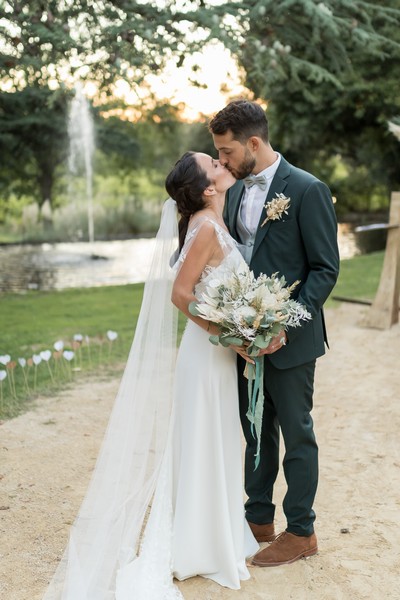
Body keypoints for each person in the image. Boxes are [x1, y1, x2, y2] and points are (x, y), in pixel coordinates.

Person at [42, 151, 258, 600]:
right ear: (207, 188)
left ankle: (216, 534)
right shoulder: (205, 227)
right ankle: (200, 545)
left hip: (215, 355)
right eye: (214, 163)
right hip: (207, 354)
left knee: (214, 438)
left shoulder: (209, 222)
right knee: (204, 439)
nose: (222, 163)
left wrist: (244, 329)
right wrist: (230, 335)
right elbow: (181, 295)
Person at [208, 100, 340, 567]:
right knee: (255, 429)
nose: (221, 161)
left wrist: (286, 323)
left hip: (292, 338)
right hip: (245, 337)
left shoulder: (307, 189)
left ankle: (301, 531)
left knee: (297, 433)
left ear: (253, 143)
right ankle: (258, 519)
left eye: (226, 152)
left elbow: (325, 268)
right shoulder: (237, 192)